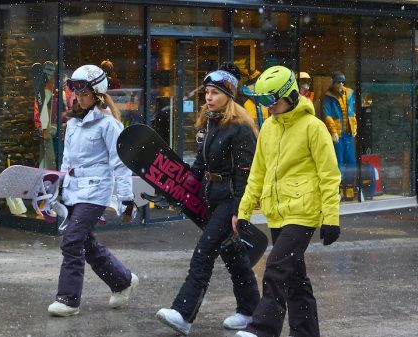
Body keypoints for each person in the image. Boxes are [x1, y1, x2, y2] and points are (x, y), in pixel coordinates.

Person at [233, 65, 341, 337]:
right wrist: (244, 211)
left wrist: (331, 219)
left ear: (290, 95)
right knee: (296, 280)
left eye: (272, 100)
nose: (268, 107)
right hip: (277, 212)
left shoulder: (314, 128)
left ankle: (262, 329)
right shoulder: (269, 127)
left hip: (303, 213)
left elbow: (329, 176)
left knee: (276, 269)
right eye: (262, 101)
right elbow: (258, 172)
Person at [155, 62, 260, 336]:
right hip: (211, 199)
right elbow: (199, 167)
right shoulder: (209, 123)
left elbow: (245, 174)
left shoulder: (241, 128)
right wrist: (177, 189)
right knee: (233, 255)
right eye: (207, 92)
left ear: (228, 94)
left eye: (214, 92)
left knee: (204, 252)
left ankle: (183, 313)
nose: (208, 97)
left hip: (229, 201)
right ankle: (251, 311)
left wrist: (239, 211)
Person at [47, 64, 137, 317]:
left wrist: (126, 199)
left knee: (72, 240)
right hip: (75, 190)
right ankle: (123, 280)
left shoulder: (109, 125)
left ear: (97, 93)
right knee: (87, 243)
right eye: (76, 92)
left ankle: (68, 299)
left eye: (84, 93)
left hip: (97, 191)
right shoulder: (74, 122)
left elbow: (121, 164)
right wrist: (59, 188)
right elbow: (67, 160)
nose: (79, 97)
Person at [323, 70, 357, 174]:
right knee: (339, 161)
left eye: (342, 82)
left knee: (351, 161)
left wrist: (354, 127)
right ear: (333, 82)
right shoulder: (328, 97)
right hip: (338, 134)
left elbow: (352, 113)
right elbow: (327, 116)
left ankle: (351, 187)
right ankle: (341, 188)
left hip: (348, 134)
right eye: (338, 82)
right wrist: (333, 132)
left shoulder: (350, 94)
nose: (341, 84)